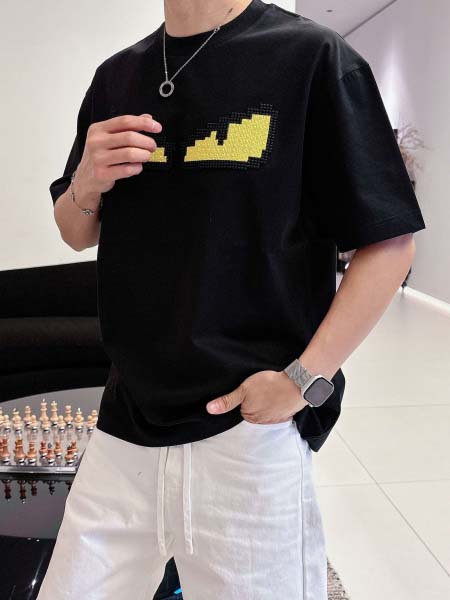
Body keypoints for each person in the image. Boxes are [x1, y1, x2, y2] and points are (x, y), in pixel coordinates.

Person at [37, 0, 426, 598]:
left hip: (247, 436)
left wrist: (302, 380)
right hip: (124, 427)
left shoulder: (312, 59)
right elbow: (76, 230)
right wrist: (87, 181)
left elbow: (390, 244)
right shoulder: (117, 76)